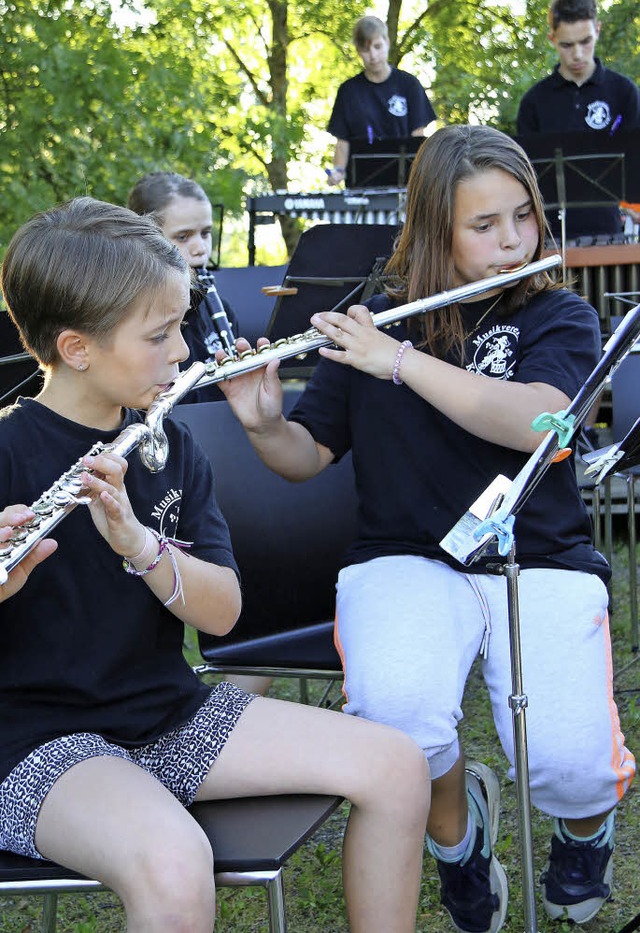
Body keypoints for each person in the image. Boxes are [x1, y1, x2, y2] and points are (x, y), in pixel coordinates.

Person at [218, 125, 636, 933]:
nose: (514, 241)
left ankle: (586, 831)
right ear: (434, 229)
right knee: (401, 721)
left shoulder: (559, 313)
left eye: (523, 216)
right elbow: (307, 456)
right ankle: (458, 837)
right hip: (404, 558)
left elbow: (540, 422)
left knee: (570, 765)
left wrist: (399, 363)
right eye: (485, 226)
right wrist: (265, 424)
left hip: (538, 557)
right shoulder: (375, 318)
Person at [0, 197, 430, 933]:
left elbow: (224, 613)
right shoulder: (9, 452)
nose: (181, 353)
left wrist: (142, 546)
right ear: (77, 348)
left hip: (167, 715)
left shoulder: (169, 446)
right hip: (35, 741)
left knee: (397, 765)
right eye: (160, 334)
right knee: (174, 864)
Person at [516, 0, 640, 239]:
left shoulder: (623, 92)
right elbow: (523, 177)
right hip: (548, 234)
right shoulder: (533, 102)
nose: (578, 54)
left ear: (597, 30)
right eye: (567, 45)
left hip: (609, 230)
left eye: (585, 42)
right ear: (552, 39)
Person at [128, 171, 238, 403]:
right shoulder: (134, 319)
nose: (200, 248)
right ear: (147, 240)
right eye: (183, 237)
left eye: (205, 233)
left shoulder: (221, 311)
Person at [326, 15, 436, 186]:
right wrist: (338, 171)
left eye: (377, 47)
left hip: (404, 186)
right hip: (361, 186)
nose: (373, 55)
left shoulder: (409, 85)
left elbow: (417, 138)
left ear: (387, 42)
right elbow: (342, 142)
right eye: (365, 50)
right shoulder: (348, 91)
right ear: (358, 51)